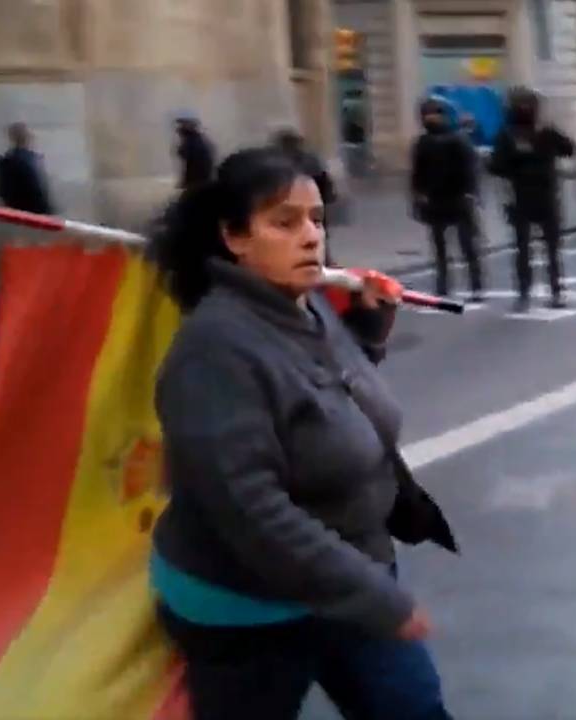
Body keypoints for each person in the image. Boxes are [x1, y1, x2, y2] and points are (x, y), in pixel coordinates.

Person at [147, 146, 457, 720]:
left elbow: (320, 398)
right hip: (249, 605)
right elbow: (252, 511)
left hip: (349, 574)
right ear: (236, 238)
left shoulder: (306, 306)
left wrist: (365, 329)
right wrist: (376, 598)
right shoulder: (214, 353)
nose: (311, 237)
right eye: (284, 222)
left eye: (316, 219)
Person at [489, 87, 575, 312]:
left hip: (535, 197)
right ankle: (541, 292)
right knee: (536, 249)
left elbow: (569, 148)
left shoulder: (533, 132)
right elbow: (495, 167)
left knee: (537, 249)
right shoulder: (514, 134)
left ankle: (542, 292)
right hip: (530, 198)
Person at [410, 97, 484, 302]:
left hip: (458, 199)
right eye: (426, 114)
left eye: (433, 113)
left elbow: (470, 169)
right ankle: (443, 285)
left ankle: (476, 285)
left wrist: (471, 193)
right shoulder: (423, 142)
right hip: (436, 200)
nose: (429, 118)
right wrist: (418, 196)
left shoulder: (457, 139)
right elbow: (417, 173)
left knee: (467, 246)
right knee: (440, 247)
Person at [271, 128, 338, 265]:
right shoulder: (309, 159)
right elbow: (325, 180)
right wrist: (327, 198)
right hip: (314, 203)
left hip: (294, 204)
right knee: (316, 233)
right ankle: (322, 261)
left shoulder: (278, 162)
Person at [0, 122, 54, 215]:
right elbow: (38, 190)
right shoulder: (30, 159)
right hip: (30, 213)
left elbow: (2, 192)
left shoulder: (4, 162)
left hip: (19, 214)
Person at [174, 117, 215, 190]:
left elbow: (184, 154)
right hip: (205, 175)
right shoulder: (200, 138)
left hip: (198, 177)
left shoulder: (191, 139)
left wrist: (179, 150)